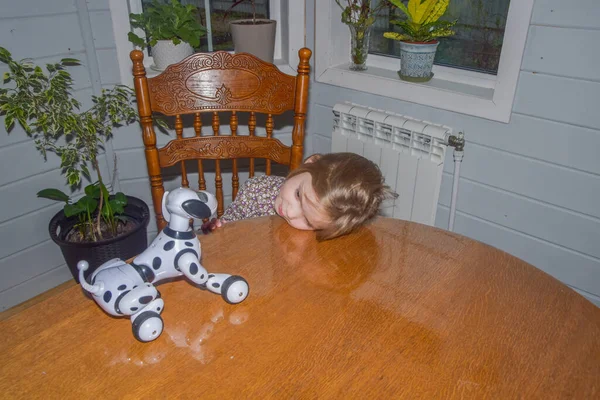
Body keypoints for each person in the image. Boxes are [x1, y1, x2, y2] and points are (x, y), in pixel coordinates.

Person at [201, 152, 397, 240]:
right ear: (310, 162)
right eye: (297, 195)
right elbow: (230, 225)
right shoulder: (255, 190)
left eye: (308, 221)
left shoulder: (333, 224)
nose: (291, 213)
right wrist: (218, 228)